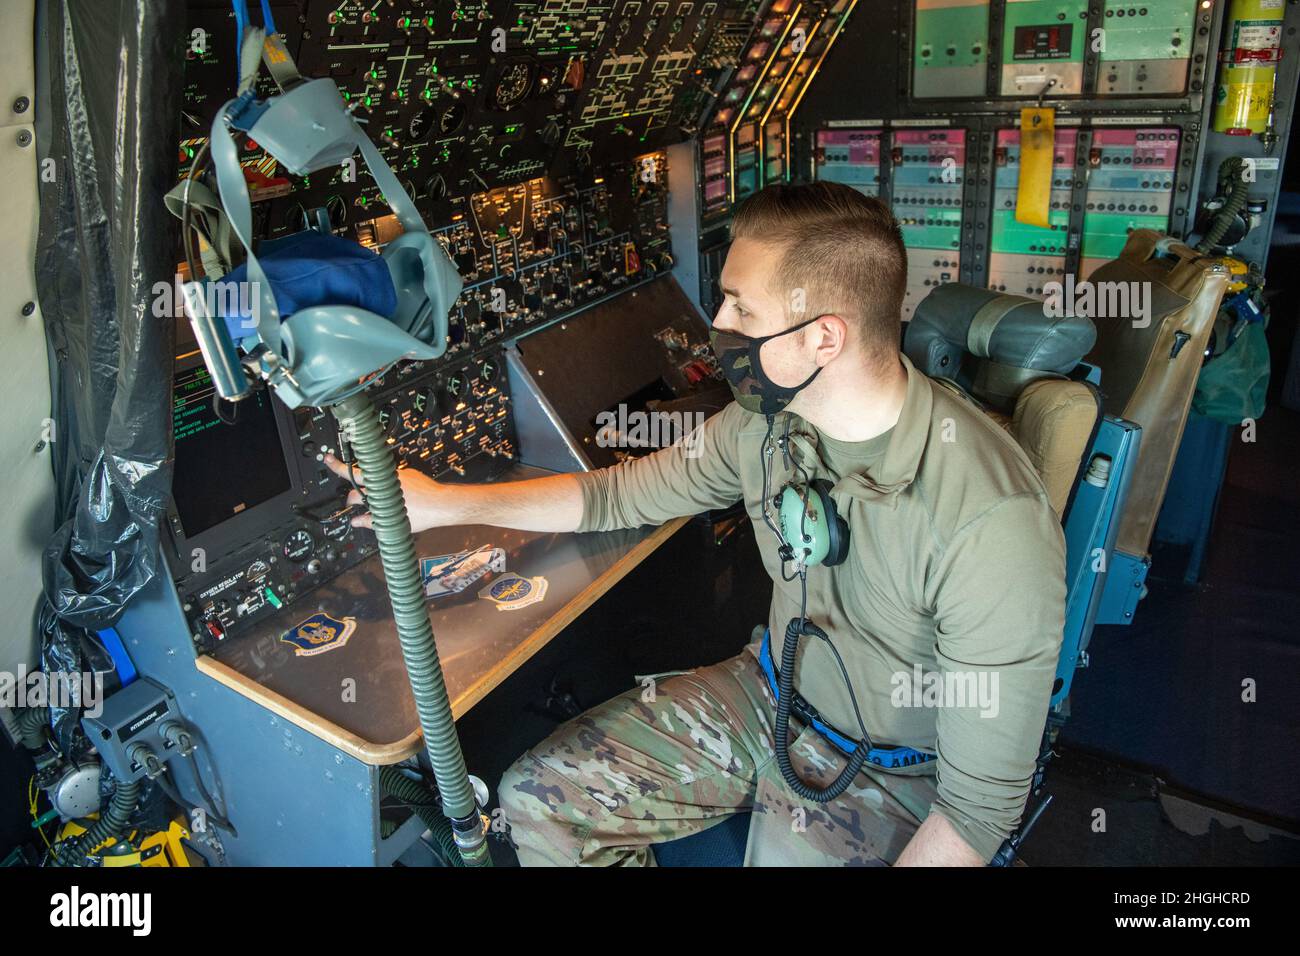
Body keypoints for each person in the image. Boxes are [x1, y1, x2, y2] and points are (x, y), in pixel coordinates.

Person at [326, 180, 1066, 866]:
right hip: (772, 696)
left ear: (823, 338)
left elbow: (975, 813)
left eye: (742, 309)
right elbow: (613, 498)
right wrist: (439, 503)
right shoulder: (764, 422)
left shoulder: (992, 523)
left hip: (897, 768)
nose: (717, 325)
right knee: (540, 801)